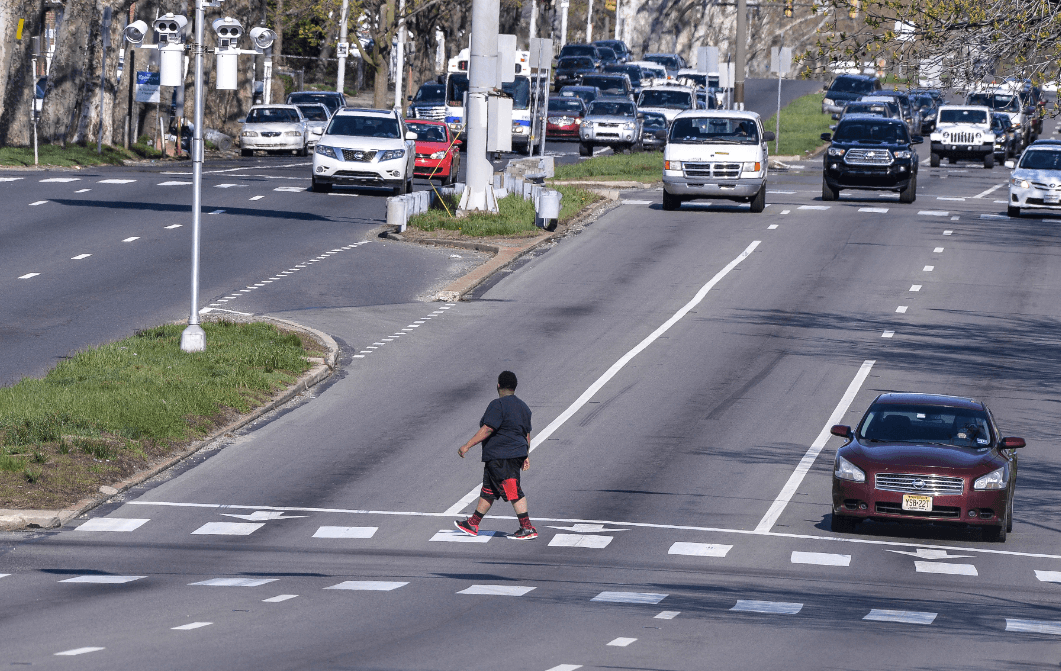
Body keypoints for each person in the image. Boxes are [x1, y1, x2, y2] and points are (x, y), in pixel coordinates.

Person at [455, 371, 537, 540]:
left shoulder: (497, 405)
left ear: (498, 385)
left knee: (512, 489)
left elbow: (488, 428)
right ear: (514, 387)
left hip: (501, 456)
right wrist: (525, 455)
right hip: (512, 455)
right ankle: (473, 523)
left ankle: (527, 527)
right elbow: (526, 435)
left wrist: (467, 446)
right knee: (489, 490)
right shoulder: (524, 407)